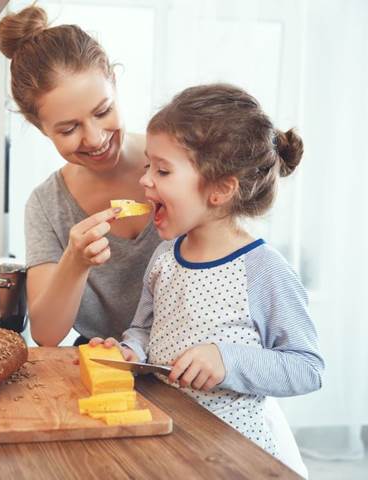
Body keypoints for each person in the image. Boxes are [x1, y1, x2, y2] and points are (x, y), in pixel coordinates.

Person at [89, 84, 324, 474]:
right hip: (171, 446)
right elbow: (145, 330)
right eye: (148, 165)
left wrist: (228, 360)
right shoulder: (165, 257)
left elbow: (307, 368)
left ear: (220, 189)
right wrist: (130, 351)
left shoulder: (264, 270)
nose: (146, 180)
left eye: (163, 170)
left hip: (234, 459)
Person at [0, 6, 162, 347]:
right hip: (103, 369)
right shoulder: (47, 205)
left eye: (103, 111)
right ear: (40, 127)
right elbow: (46, 334)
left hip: (195, 371)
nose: (95, 138)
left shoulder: (182, 164)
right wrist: (75, 261)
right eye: (69, 129)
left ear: (114, 83)